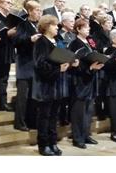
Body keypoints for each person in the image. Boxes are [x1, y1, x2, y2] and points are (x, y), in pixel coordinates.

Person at [32, 15, 77, 156]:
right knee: (44, 116)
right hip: (46, 85)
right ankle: (43, 145)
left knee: (54, 116)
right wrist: (58, 69)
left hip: (58, 84)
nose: (57, 27)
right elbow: (39, 64)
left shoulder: (57, 41)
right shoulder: (41, 42)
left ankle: (53, 142)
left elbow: (62, 58)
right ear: (46, 26)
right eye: (54, 25)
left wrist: (70, 62)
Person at [68, 19, 104, 149]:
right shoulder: (74, 44)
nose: (88, 30)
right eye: (86, 28)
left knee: (89, 110)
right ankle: (77, 138)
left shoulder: (90, 41)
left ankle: (86, 134)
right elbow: (74, 64)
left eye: (88, 27)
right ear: (78, 29)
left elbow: (95, 52)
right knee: (79, 111)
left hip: (91, 79)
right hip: (80, 81)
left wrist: (99, 62)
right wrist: (89, 68)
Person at [13, 0, 42, 131]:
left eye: (40, 10)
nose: (39, 13)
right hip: (24, 64)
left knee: (33, 96)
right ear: (29, 11)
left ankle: (32, 121)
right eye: (37, 10)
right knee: (22, 96)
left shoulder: (40, 26)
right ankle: (19, 122)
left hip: (36, 65)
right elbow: (17, 41)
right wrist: (30, 39)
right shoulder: (22, 24)